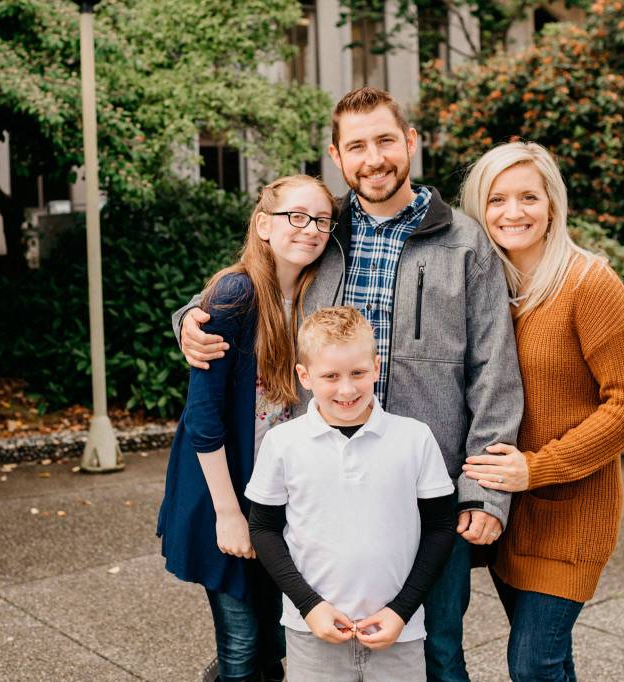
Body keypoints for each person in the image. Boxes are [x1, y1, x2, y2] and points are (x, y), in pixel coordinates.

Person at [176, 87, 524, 681]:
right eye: (357, 146)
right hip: (321, 484)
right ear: (338, 157)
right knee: (318, 644)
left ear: (410, 142)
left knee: (438, 652)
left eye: (386, 140)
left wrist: (486, 493)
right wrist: (188, 318)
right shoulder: (324, 232)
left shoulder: (466, 244)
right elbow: (255, 285)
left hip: (424, 490)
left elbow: (494, 372)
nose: (374, 157)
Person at [457, 141, 624, 681]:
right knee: (549, 663)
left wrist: (534, 468)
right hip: (510, 516)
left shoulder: (589, 284)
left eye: (528, 197)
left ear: (552, 205)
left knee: (532, 665)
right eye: (497, 199)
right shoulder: (492, 288)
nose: (513, 212)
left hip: (571, 514)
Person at [156, 175, 337, 682]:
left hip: (277, 495)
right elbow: (204, 417)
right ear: (263, 224)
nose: (310, 229)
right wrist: (228, 514)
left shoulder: (313, 292)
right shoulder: (236, 293)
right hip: (223, 488)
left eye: (321, 220)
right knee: (242, 641)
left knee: (276, 635)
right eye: (295, 216)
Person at [246, 306, 456, 681]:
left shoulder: (414, 437)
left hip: (398, 632)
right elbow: (263, 529)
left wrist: (401, 610)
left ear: (376, 367)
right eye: (330, 376)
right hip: (312, 633)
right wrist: (310, 606)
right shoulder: (282, 444)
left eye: (358, 373)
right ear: (305, 376)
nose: (347, 389)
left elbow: (440, 527)